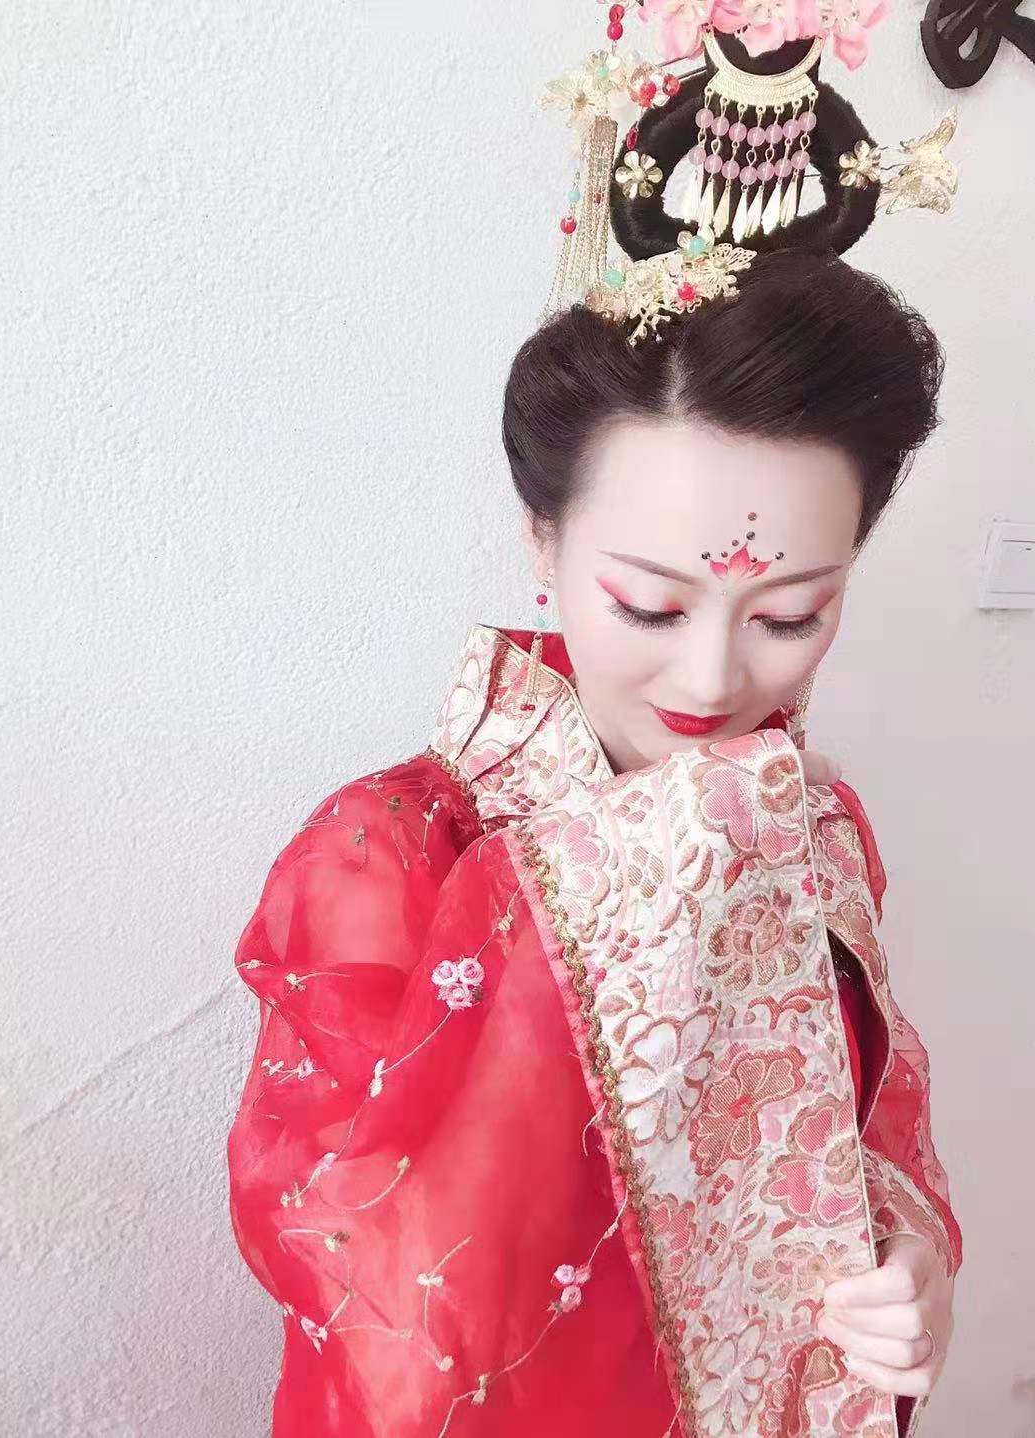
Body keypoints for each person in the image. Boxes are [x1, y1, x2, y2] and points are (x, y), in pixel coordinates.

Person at [226, 10, 963, 1436]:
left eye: (791, 614)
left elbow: (868, 1132)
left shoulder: (812, 824)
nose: (714, 675)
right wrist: (621, 878)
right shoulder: (385, 853)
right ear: (545, 541)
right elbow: (361, 1278)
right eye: (649, 602)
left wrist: (905, 1257)